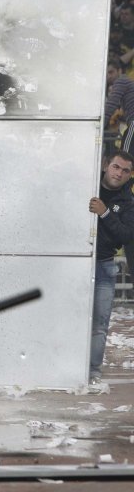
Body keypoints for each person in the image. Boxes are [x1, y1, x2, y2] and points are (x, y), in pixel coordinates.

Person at [89, 151, 134, 384]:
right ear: (106, 166)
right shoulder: (87, 182)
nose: (119, 173)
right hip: (76, 262)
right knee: (68, 316)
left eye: (125, 170)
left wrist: (105, 213)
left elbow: (126, 234)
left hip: (105, 266)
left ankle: (93, 373)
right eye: (116, 167)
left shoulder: (127, 202)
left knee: (100, 324)